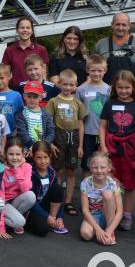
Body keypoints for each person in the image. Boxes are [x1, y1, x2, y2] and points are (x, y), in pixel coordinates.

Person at [99, 70, 135, 232]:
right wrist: (104, 146)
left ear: (133, 87)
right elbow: (103, 126)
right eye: (120, 88)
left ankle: (126, 214)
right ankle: (111, 212)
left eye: (127, 87)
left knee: (130, 185)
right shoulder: (109, 103)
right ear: (114, 88)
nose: (124, 91)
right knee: (112, 182)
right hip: (111, 150)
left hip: (131, 151)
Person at [47, 69, 88, 219]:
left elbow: (81, 125)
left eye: (71, 85)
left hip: (74, 139)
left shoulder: (77, 102)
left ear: (76, 85)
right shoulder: (53, 101)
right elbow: (49, 124)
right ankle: (56, 200)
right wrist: (50, 143)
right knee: (57, 171)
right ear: (59, 84)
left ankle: (68, 201)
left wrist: (81, 146)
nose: (68, 88)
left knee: (71, 171)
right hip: (59, 138)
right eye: (65, 84)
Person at [75, 54, 111, 184]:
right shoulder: (81, 89)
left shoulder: (108, 90)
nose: (96, 73)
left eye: (100, 70)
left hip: (103, 133)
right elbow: (78, 113)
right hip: (87, 133)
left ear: (105, 71)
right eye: (93, 70)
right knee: (87, 164)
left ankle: (102, 192)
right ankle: (86, 190)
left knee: (103, 164)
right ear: (87, 70)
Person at [79, 151, 123, 246]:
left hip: (108, 217)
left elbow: (119, 211)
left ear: (109, 167)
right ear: (90, 168)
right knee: (85, 234)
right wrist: (98, 229)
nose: (99, 170)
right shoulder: (85, 183)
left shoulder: (113, 184)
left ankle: (109, 231)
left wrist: (109, 230)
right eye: (95, 167)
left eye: (102, 167)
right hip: (93, 217)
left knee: (107, 194)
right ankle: (101, 233)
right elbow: (85, 210)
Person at [95, 14, 135, 85]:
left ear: (129, 26)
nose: (120, 28)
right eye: (117, 24)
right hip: (107, 90)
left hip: (134, 89)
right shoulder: (101, 44)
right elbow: (93, 66)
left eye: (124, 25)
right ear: (112, 25)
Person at [0, 137, 36, 238]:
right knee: (20, 222)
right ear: (5, 154)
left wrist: (17, 169)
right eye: (11, 154)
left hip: (16, 201)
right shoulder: (1, 168)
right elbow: (0, 196)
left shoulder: (27, 167)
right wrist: (1, 226)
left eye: (18, 154)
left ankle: (12, 218)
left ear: (23, 154)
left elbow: (25, 189)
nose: (14, 158)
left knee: (31, 196)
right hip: (4, 202)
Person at [27, 141, 68, 236]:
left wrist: (59, 217)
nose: (42, 161)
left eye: (45, 157)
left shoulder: (51, 172)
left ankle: (52, 220)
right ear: (33, 157)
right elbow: (31, 201)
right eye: (39, 157)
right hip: (33, 207)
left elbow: (58, 197)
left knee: (58, 188)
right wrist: (46, 216)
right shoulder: (30, 172)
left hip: (45, 205)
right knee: (42, 230)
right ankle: (32, 222)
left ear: (50, 156)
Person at [1, 16, 49, 89]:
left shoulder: (41, 49)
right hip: (17, 91)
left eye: (28, 28)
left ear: (32, 31)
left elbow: (43, 75)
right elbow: (6, 75)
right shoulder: (9, 50)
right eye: (22, 27)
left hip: (37, 92)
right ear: (17, 30)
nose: (25, 30)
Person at [14, 81, 56, 152]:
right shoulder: (20, 114)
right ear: (24, 96)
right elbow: (22, 132)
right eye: (29, 96)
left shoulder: (46, 114)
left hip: (42, 151)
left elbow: (51, 132)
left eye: (35, 97)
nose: (32, 100)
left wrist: (44, 146)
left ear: (41, 97)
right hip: (25, 151)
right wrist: (32, 146)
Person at [0, 64, 23, 145]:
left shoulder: (16, 95)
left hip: (11, 134)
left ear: (9, 76)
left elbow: (20, 114)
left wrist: (17, 129)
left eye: (2, 78)